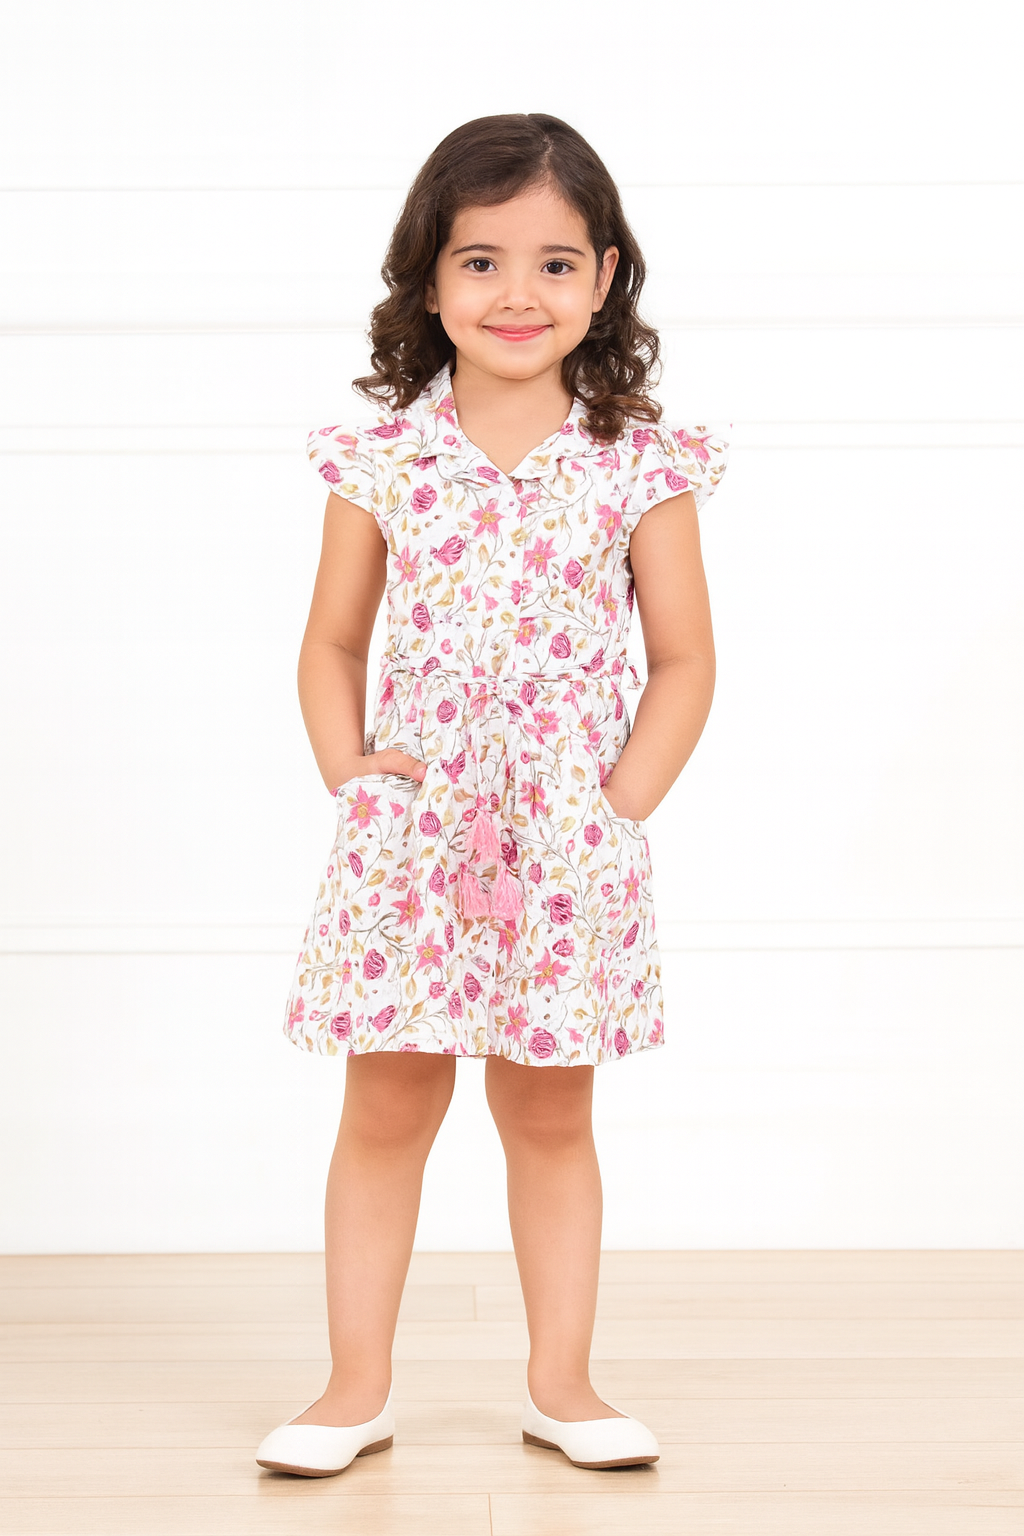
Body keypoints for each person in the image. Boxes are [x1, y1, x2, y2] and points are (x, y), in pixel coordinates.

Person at [256, 112, 729, 1479]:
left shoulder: (642, 460)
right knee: (386, 1108)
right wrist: (349, 769)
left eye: (555, 262)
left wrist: (618, 803)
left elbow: (687, 658)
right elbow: (333, 639)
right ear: (428, 281)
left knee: (550, 1114)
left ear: (606, 277)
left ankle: (563, 1384)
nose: (518, 294)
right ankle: (354, 1388)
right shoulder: (384, 458)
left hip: (566, 845)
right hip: (413, 840)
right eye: (480, 261)